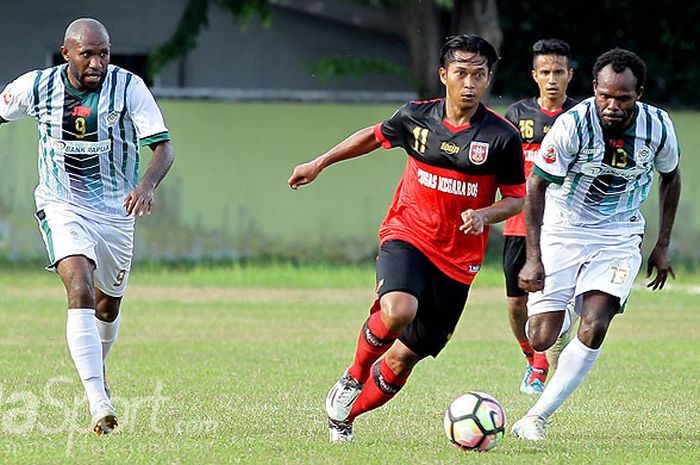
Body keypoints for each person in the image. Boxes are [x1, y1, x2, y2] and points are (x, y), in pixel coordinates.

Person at [288, 34, 526, 443]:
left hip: (458, 264)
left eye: (479, 75)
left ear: (488, 79)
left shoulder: (501, 137)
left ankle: (345, 419)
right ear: (443, 75)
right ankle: (353, 375)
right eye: (461, 73)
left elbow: (517, 200)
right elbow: (372, 136)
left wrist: (485, 214)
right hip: (408, 234)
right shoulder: (417, 118)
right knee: (398, 309)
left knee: (402, 359)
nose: (470, 83)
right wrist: (320, 162)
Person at [0, 18, 174, 435]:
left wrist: (146, 185)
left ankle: (99, 368)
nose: (97, 62)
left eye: (104, 53)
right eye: (88, 54)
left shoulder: (129, 88)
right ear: (67, 54)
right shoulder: (36, 87)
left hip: (117, 213)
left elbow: (163, 148)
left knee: (107, 305)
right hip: (61, 204)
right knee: (78, 284)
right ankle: (98, 401)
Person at [511, 48, 681, 440]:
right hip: (563, 228)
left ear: (639, 93)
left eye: (622, 98)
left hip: (618, 234)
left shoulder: (659, 127)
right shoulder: (572, 125)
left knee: (596, 322)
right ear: (593, 89)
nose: (612, 105)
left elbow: (671, 177)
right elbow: (536, 184)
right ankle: (565, 311)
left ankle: (537, 417)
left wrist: (662, 243)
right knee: (541, 336)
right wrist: (533, 259)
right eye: (605, 95)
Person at [502, 39, 577, 395]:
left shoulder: (581, 117)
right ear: (534, 75)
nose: (552, 79)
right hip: (520, 226)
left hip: (564, 226)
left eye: (558, 72)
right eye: (545, 72)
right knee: (517, 304)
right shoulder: (516, 117)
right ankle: (532, 357)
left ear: (570, 75)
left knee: (553, 301)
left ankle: (543, 363)